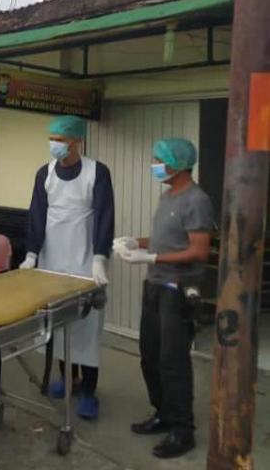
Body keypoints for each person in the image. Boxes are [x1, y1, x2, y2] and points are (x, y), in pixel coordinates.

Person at [115, 138, 213, 459]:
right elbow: (165, 239)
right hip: (154, 287)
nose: (154, 165)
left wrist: (152, 258)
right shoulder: (167, 195)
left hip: (177, 290)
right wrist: (136, 241)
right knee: (150, 355)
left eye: (159, 160)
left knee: (173, 361)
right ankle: (163, 413)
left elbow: (198, 250)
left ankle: (182, 431)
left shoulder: (196, 200)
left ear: (177, 164)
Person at [20, 115, 114, 420]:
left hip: (86, 260)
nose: (54, 144)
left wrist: (100, 257)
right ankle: (67, 378)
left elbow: (104, 215)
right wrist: (32, 254)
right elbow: (36, 214)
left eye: (60, 139)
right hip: (52, 260)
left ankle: (89, 391)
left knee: (86, 327)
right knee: (58, 325)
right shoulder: (43, 173)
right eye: (53, 138)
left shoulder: (96, 172)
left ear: (76, 141)